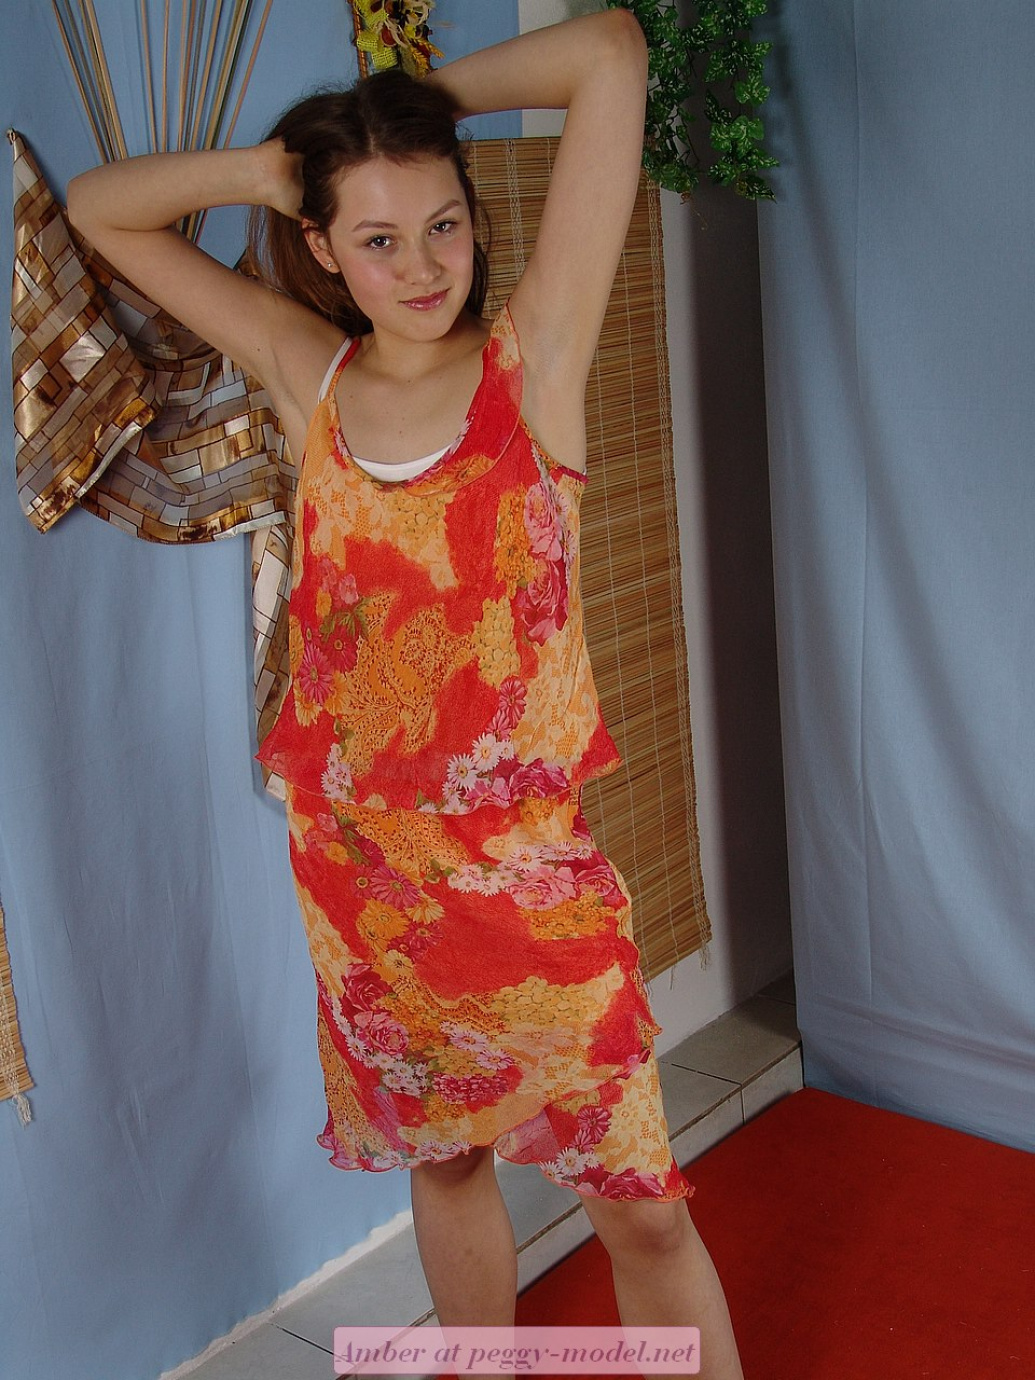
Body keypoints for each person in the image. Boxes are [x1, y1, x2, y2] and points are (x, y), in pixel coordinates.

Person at [66, 11, 744, 1379]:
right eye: (377, 239)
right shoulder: (305, 375)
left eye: (444, 225)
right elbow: (97, 210)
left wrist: (406, 106)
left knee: (644, 1211)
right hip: (367, 887)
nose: (424, 266)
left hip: (530, 885)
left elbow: (610, 53)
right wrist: (274, 168)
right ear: (322, 249)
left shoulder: (533, 363)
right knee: (444, 1168)